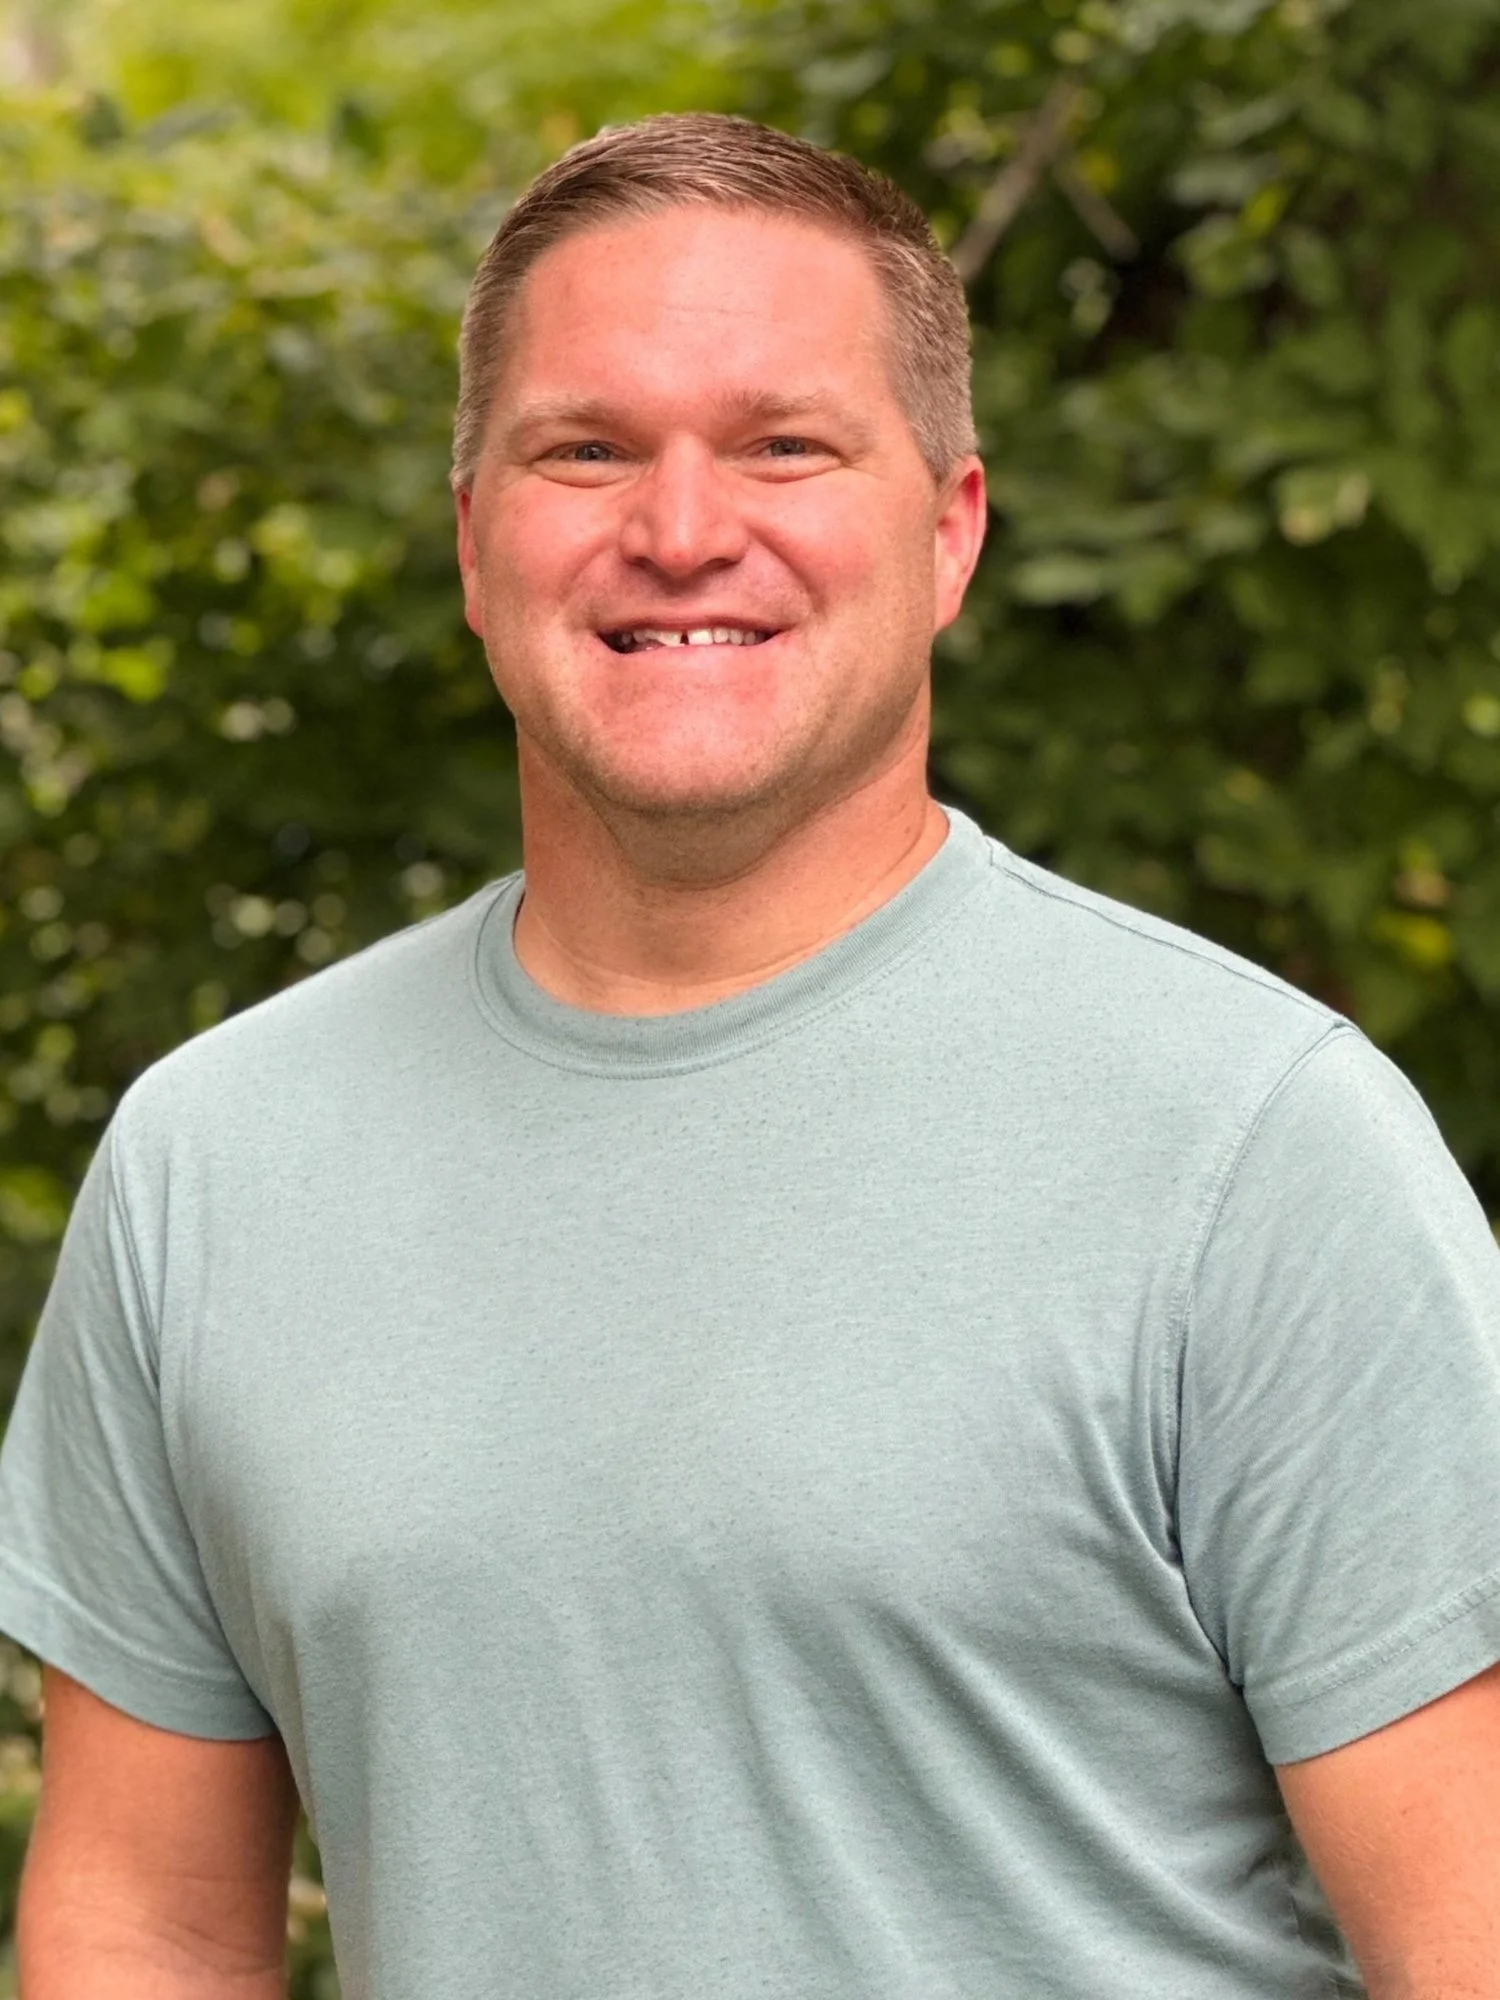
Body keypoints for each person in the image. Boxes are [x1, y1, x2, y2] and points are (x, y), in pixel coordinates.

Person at [1, 109, 1498, 2000]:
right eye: (587, 449)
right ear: (475, 544)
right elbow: (145, 1928)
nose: (682, 529)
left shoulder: (1258, 1148)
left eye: (786, 443)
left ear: (948, 530)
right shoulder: (210, 1163)